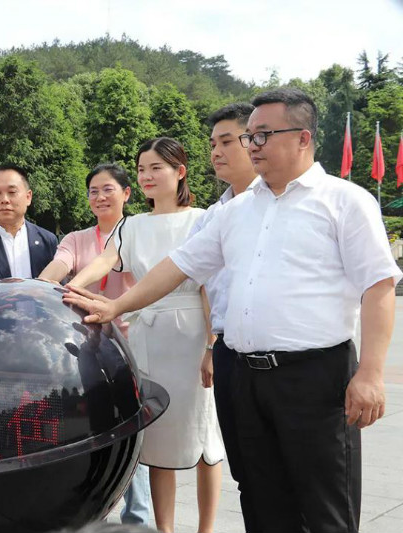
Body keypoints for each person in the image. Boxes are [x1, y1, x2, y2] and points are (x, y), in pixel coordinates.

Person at [64, 88, 402, 533]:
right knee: (260, 496)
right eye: (250, 136)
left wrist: (372, 374)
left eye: (261, 135)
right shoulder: (235, 211)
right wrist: (117, 305)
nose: (251, 145)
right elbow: (179, 265)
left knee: (324, 502)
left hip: (314, 377)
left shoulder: (344, 201)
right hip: (241, 375)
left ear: (303, 138)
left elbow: (378, 286)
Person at [67, 139, 223, 533]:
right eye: (142, 169)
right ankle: (164, 529)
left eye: (157, 168)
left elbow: (208, 287)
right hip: (147, 337)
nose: (147, 176)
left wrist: (211, 346)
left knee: (207, 439)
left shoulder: (202, 219)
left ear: (180, 171)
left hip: (191, 335)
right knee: (158, 440)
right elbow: (106, 259)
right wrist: (69, 288)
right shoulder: (131, 225)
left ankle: (206, 528)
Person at [38, 163, 152, 527]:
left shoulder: (139, 232)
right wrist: (40, 286)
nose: (100, 197)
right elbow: (61, 264)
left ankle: (139, 515)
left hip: (133, 343)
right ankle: (101, 510)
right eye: (93, 191)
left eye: (108, 189)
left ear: (126, 194)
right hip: (87, 349)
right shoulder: (76, 238)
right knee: (97, 427)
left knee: (136, 427)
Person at [192, 102, 260, 532]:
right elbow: (195, 278)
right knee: (250, 475)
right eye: (212, 143)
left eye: (227, 141)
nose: (216, 151)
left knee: (303, 478)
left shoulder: (283, 202)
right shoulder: (215, 215)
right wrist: (211, 345)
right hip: (231, 355)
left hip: (297, 364)